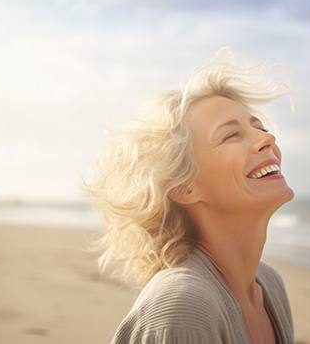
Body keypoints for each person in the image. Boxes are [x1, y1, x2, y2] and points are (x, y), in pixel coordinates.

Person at [85, 49, 295, 344]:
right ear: (184, 187)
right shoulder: (182, 306)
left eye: (258, 126)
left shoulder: (270, 285)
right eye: (231, 135)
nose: (267, 138)